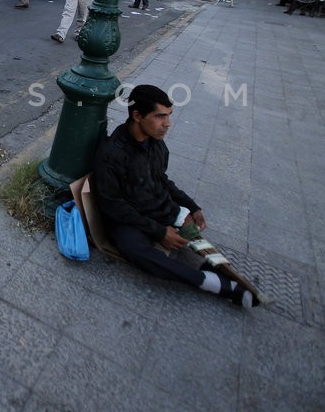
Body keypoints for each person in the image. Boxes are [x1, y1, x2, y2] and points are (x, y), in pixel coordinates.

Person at [92, 84, 260, 308]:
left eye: (169, 116)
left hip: (159, 208)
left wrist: (191, 206)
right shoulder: (112, 154)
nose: (167, 124)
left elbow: (162, 180)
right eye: (160, 116)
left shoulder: (156, 144)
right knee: (133, 248)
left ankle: (212, 268)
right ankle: (209, 282)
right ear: (137, 115)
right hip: (130, 218)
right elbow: (111, 205)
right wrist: (159, 232)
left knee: (189, 228)